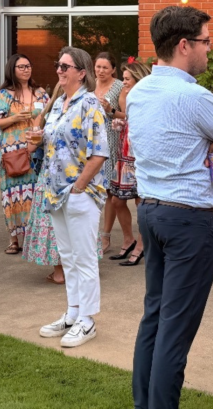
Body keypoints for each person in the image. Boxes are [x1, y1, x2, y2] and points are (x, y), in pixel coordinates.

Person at [128, 6, 213, 409]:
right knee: (174, 330)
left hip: (153, 213)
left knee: (155, 317)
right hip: (188, 221)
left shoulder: (138, 92)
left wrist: (208, 141)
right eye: (205, 43)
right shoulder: (195, 97)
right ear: (184, 46)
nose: (209, 51)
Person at [34, 47, 108, 349]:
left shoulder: (90, 103)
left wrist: (79, 186)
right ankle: (73, 313)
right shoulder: (58, 105)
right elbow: (52, 143)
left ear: (81, 71)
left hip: (79, 193)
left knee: (85, 258)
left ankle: (87, 320)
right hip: (55, 193)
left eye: (66, 66)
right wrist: (35, 141)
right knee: (68, 257)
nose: (60, 71)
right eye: (58, 65)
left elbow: (100, 152)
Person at [0, 53, 49, 255]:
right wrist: (14, 118)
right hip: (12, 152)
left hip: (36, 151)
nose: (26, 69)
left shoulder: (40, 93)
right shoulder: (4, 96)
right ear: (12, 70)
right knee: (12, 195)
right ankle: (13, 239)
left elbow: (50, 116)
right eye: (21, 66)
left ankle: (32, 237)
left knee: (33, 195)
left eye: (28, 65)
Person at [108, 58, 152, 267]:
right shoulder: (126, 94)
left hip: (138, 156)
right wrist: (121, 122)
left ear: (138, 79)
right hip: (124, 154)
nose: (123, 82)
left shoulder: (145, 96)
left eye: (127, 78)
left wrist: (117, 115)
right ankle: (128, 239)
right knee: (117, 200)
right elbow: (128, 118)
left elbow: (140, 120)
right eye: (123, 78)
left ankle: (141, 246)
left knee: (139, 202)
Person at [22, 83, 64, 284]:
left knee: (52, 221)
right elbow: (31, 146)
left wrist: (35, 137)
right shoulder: (47, 115)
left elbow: (30, 148)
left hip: (51, 174)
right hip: (66, 173)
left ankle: (59, 271)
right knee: (67, 221)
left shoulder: (47, 114)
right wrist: (36, 135)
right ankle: (68, 270)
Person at [95, 52, 131, 258]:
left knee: (110, 191)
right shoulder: (91, 84)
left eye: (105, 68)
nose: (100, 71)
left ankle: (106, 236)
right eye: (98, 67)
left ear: (113, 70)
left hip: (113, 141)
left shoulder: (120, 86)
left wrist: (110, 109)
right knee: (95, 189)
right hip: (93, 141)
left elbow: (128, 115)